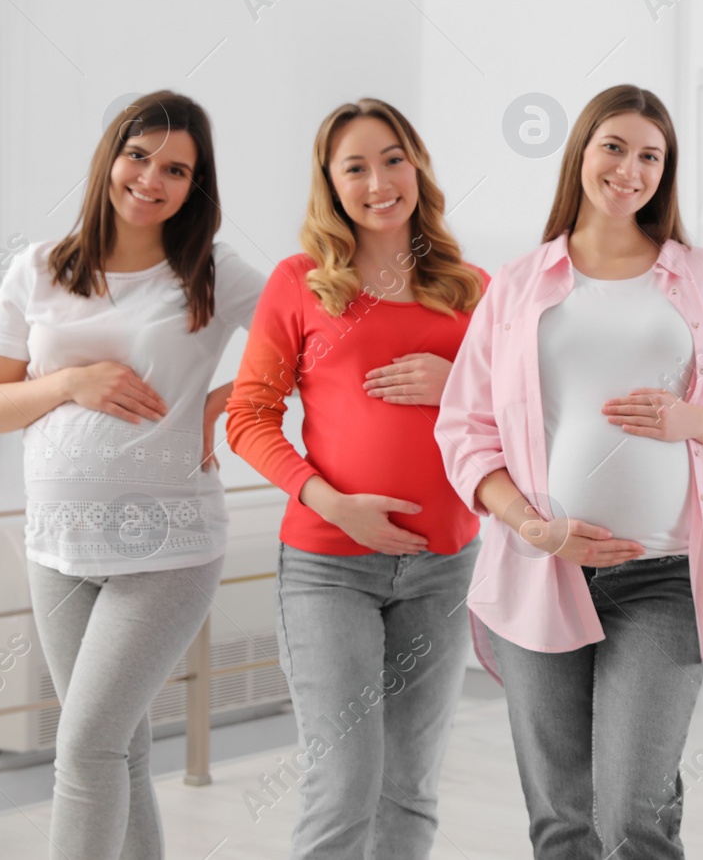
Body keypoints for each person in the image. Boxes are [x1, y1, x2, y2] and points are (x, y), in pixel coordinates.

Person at [435, 84, 703, 859]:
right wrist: (532, 524)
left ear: (665, 172)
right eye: (614, 147)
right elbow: (464, 427)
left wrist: (689, 420)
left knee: (633, 813)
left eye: (650, 155)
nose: (629, 169)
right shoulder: (519, 284)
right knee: (562, 820)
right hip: (540, 566)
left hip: (663, 575)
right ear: (581, 155)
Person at [0, 91, 264, 859]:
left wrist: (231, 405)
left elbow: (318, 347)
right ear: (110, 157)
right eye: (138, 155)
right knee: (117, 749)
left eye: (176, 168)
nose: (150, 178)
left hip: (168, 546)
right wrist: (69, 382)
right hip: (58, 547)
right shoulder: (39, 267)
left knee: (87, 747)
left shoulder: (211, 271)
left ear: (195, 185)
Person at [225, 99, 487, 859]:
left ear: (417, 166)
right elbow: (249, 416)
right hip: (328, 568)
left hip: (443, 566)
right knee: (344, 783)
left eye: (393, 158)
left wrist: (459, 379)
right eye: (356, 167)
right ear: (331, 184)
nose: (379, 180)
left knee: (409, 789)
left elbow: (524, 412)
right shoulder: (300, 282)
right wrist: (332, 502)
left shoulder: (471, 288)